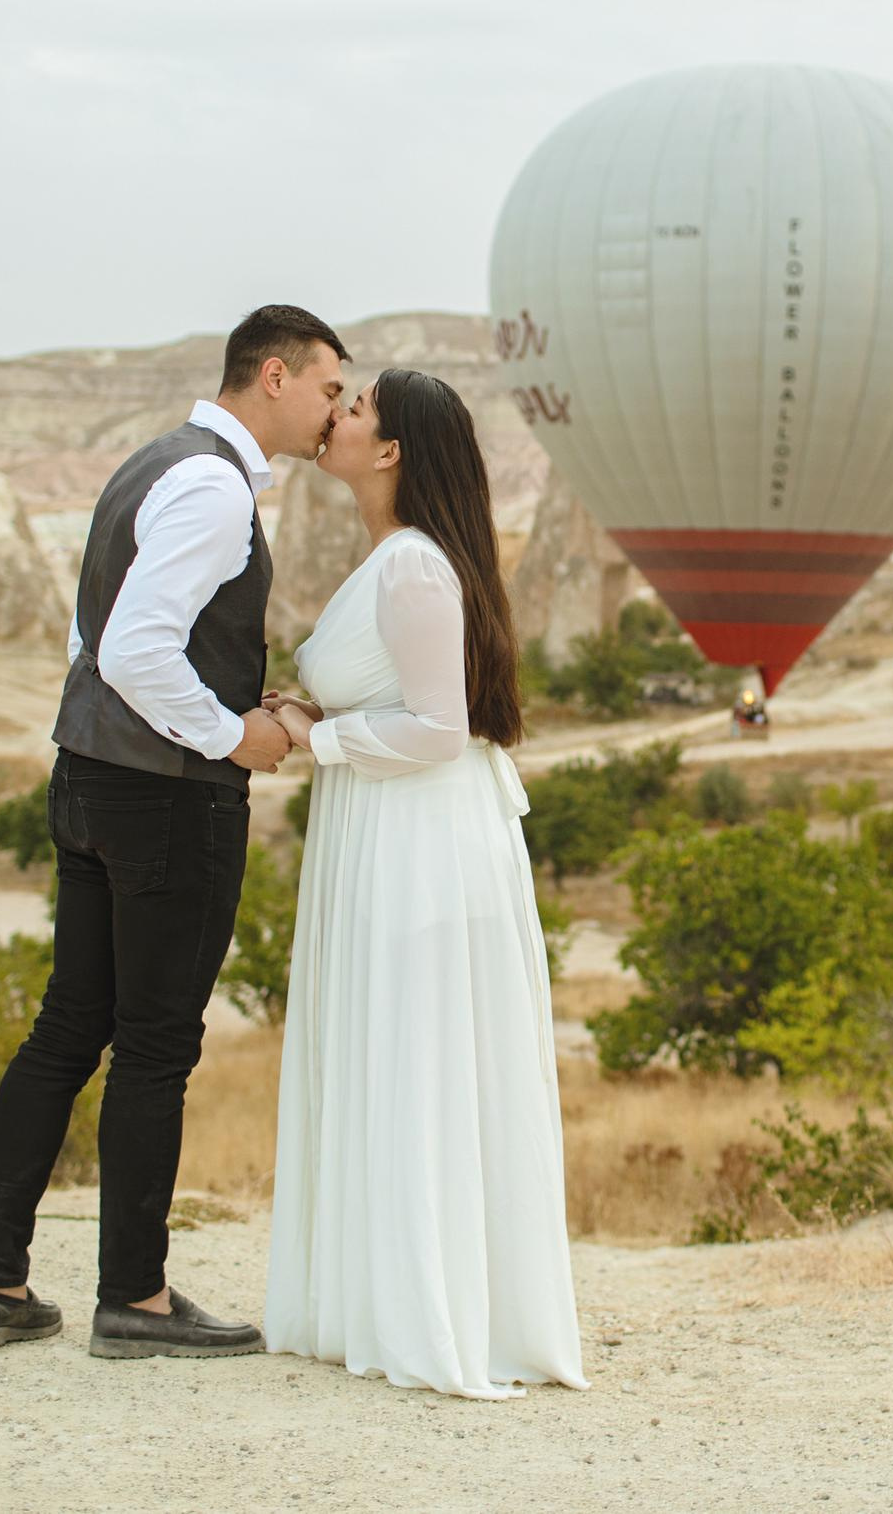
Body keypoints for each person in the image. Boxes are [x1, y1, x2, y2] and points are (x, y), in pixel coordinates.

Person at [0, 305, 348, 1359]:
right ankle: (136, 1298)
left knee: (66, 1028)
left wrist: (213, 699)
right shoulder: (217, 487)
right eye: (324, 388)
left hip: (86, 779)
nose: (333, 411)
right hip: (168, 800)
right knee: (155, 1047)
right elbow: (132, 647)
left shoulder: (148, 464)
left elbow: (93, 636)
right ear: (273, 375)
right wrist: (231, 735)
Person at [261, 368, 587, 1399]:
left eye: (353, 408)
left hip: (416, 838)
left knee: (415, 1047)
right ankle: (390, 1294)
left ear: (392, 448)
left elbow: (442, 731)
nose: (335, 417)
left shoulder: (412, 570)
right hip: (388, 825)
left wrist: (324, 736)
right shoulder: (395, 561)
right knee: (398, 1047)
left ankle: (428, 1308)